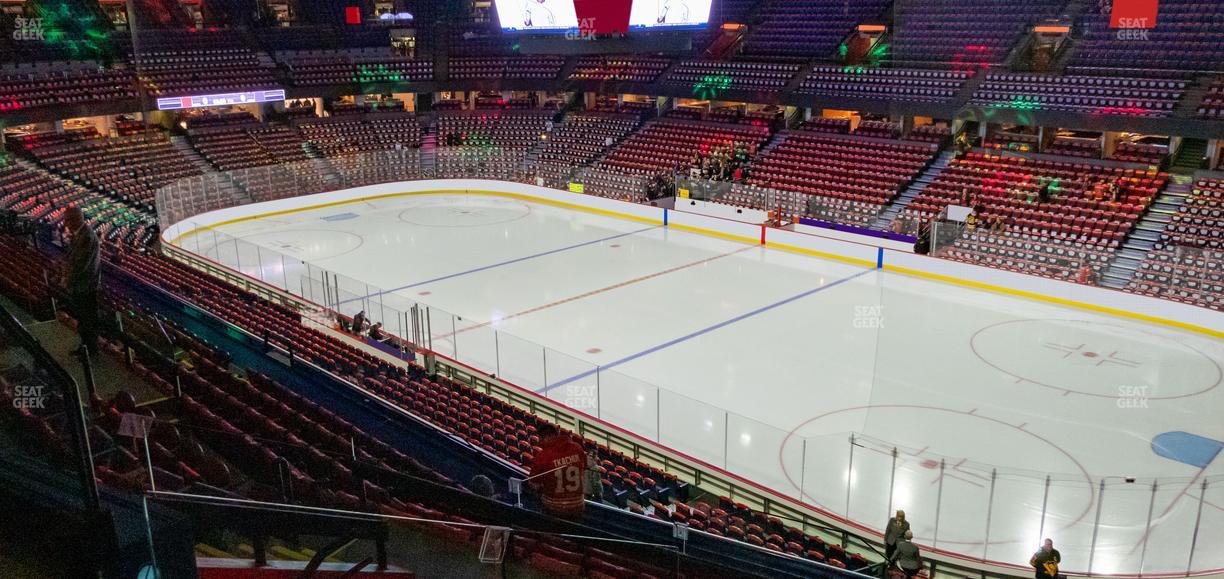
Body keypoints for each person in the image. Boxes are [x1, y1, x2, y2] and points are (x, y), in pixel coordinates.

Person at [528, 423, 587, 518]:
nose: (540, 442)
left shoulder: (543, 456)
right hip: (578, 505)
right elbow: (584, 469)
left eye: (541, 439)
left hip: (555, 508)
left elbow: (533, 483)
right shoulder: (577, 448)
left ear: (549, 436)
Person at [63, 207, 100, 354]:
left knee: (88, 320)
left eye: (68, 220)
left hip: (86, 286)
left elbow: (80, 265)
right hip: (82, 286)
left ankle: (90, 349)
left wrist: (67, 281)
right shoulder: (80, 235)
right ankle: (86, 346)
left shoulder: (86, 237)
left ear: (76, 219)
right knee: (84, 320)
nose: (66, 224)